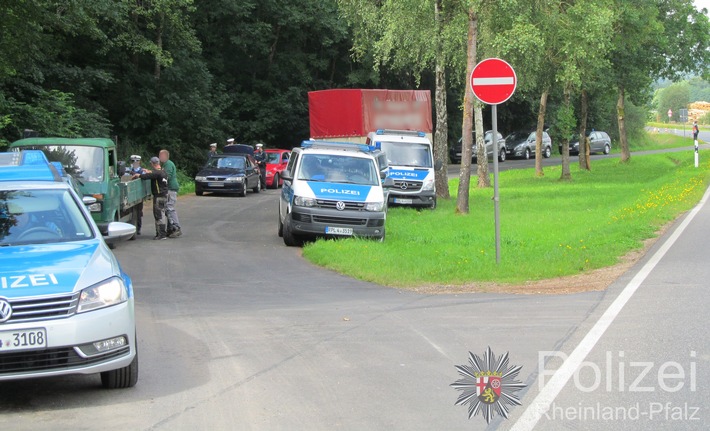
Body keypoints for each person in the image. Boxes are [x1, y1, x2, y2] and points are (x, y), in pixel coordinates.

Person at [133, 157, 169, 240]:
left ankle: (161, 234)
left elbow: (147, 176)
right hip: (164, 195)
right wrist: (148, 171)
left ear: (153, 163)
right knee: (162, 214)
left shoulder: (157, 173)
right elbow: (153, 173)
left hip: (159, 196)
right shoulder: (163, 171)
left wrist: (139, 175)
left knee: (158, 215)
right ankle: (162, 233)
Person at [159, 149, 182, 238]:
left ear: (165, 156)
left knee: (169, 207)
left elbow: (165, 176)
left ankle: (176, 227)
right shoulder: (166, 164)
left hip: (171, 188)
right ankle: (170, 228)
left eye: (160, 156)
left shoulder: (168, 164)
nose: (159, 157)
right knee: (167, 208)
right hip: (169, 188)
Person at [128, 155, 146, 237]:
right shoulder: (128, 170)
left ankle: (138, 228)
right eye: (133, 161)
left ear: (139, 162)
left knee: (138, 212)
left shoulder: (142, 171)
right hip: (129, 195)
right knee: (130, 211)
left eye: (136, 161)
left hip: (138, 195)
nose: (135, 163)